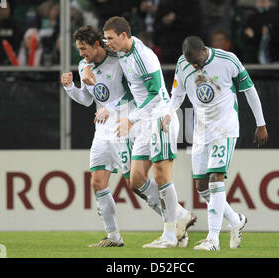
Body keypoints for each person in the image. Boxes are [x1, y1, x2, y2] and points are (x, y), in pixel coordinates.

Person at [83, 17, 197, 248]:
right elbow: (93, 52)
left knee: (162, 175)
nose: (107, 43)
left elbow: (155, 95)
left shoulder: (143, 57)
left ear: (123, 36)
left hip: (159, 119)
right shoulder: (118, 47)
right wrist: (85, 67)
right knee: (135, 180)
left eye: (111, 38)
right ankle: (182, 217)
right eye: (106, 39)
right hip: (145, 121)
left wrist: (130, 119)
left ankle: (169, 235)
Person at [162, 36, 268, 251]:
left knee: (215, 179)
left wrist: (261, 124)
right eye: (189, 61)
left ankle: (213, 239)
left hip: (224, 128)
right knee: (201, 187)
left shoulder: (227, 60)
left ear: (203, 50)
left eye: (196, 60)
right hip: (200, 131)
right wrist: (169, 113)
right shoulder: (183, 65)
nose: (194, 65)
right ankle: (236, 220)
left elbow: (249, 90)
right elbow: (177, 94)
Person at [61, 25, 136, 247]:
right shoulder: (84, 64)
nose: (81, 53)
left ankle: (176, 221)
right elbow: (86, 100)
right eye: (78, 49)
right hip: (102, 131)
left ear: (96, 45)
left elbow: (134, 93)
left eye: (83, 48)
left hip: (124, 127)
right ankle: (113, 237)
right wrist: (69, 87)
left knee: (136, 183)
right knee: (97, 182)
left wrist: (110, 108)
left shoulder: (119, 59)